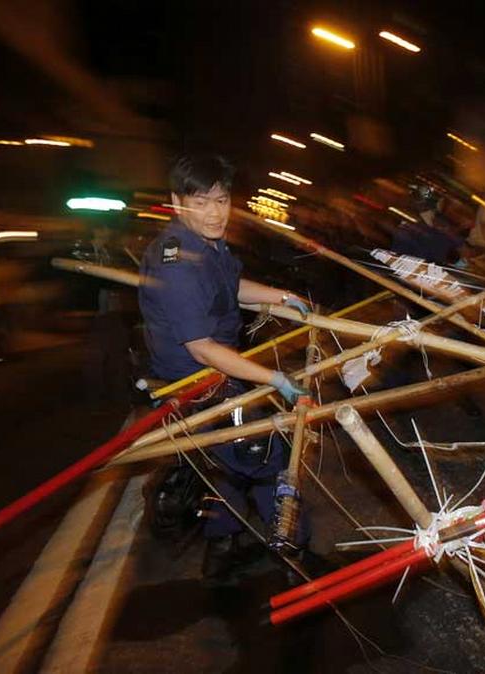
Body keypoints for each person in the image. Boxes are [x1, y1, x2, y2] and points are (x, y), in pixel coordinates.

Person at [139, 151, 312, 584]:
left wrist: (280, 296)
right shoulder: (177, 263)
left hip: (220, 374)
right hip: (200, 382)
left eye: (222, 200)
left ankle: (221, 542)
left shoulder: (208, 244)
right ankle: (295, 554)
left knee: (225, 462)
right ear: (178, 203)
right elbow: (200, 348)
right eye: (201, 202)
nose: (215, 212)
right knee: (267, 457)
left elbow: (230, 289)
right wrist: (274, 379)